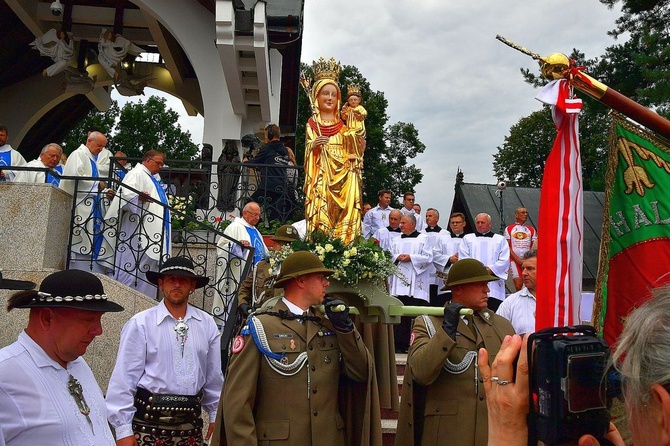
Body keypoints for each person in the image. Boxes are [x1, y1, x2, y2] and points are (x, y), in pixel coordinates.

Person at [215, 250, 381, 446]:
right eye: (320, 278)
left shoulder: (328, 325)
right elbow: (237, 402)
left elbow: (361, 372)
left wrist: (346, 330)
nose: (327, 284)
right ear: (301, 281)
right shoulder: (260, 327)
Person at [395, 259, 515, 446]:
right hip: (447, 434)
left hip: (492, 433)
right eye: (480, 284)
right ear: (458, 289)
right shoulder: (429, 323)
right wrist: (447, 330)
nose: (488, 290)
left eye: (487, 285)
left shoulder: (501, 325)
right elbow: (420, 372)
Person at [106, 256, 223, 446]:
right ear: (161, 284)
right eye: (171, 279)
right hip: (147, 427)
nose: (177, 284)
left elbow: (214, 378)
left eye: (183, 280)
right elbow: (124, 379)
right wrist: (122, 430)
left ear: (192, 286)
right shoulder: (141, 323)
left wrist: (215, 415)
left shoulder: (207, 324)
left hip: (191, 429)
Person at [0, 269, 124, 445]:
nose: (99, 330)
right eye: (88, 320)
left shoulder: (78, 364)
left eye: (99, 319)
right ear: (47, 318)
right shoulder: (5, 373)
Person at [304, 57, 365, 245]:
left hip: (345, 175)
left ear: (338, 99)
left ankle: (345, 242)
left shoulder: (345, 127)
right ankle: (322, 242)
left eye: (333, 94)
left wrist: (354, 139)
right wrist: (314, 146)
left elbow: (358, 149)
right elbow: (307, 155)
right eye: (325, 94)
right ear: (316, 96)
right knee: (321, 208)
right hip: (322, 175)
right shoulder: (313, 124)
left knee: (350, 201)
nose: (329, 98)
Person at [104, 150, 171, 297]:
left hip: (150, 230)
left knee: (145, 269)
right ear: (147, 160)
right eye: (158, 163)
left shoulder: (151, 177)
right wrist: (138, 198)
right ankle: (125, 297)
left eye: (162, 164)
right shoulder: (137, 173)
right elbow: (125, 194)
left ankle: (143, 299)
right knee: (132, 264)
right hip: (137, 230)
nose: (160, 166)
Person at [60, 131, 112, 274]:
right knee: (80, 240)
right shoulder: (78, 154)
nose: (101, 149)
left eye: (103, 147)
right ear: (89, 141)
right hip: (80, 206)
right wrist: (97, 184)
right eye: (99, 146)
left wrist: (104, 190)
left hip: (91, 206)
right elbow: (74, 177)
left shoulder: (91, 158)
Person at [389, 213, 434, 352]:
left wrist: (411, 257)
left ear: (412, 224)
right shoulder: (396, 240)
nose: (400, 225)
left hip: (416, 284)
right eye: (400, 223)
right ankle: (398, 344)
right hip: (399, 283)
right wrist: (397, 256)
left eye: (403, 223)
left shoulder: (423, 238)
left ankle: (414, 343)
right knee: (399, 313)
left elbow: (428, 257)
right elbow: (389, 254)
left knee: (414, 313)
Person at [213, 202, 267, 314]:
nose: (257, 218)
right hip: (240, 275)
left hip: (257, 276)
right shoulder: (234, 227)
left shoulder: (256, 231)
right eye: (254, 215)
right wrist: (237, 246)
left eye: (258, 215)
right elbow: (222, 248)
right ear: (245, 213)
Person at [237, 224, 300, 315]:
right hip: (261, 316)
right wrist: (243, 303)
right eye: (280, 244)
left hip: (287, 318)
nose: (284, 248)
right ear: (274, 244)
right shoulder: (262, 265)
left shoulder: (299, 269)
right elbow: (245, 287)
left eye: (288, 245)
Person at [458, 213, 510, 311]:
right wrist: (478, 271)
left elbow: (504, 259)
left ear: (489, 224)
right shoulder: (467, 238)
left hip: (494, 283)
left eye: (483, 222)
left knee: (494, 311)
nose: (480, 225)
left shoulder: (500, 239)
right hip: (474, 280)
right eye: (478, 222)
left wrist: (490, 270)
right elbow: (464, 258)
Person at [245, 124, 292, 222]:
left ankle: (255, 227)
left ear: (270, 135)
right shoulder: (284, 151)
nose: (266, 138)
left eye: (266, 136)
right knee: (273, 215)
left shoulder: (267, 148)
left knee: (249, 206)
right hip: (281, 187)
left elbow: (254, 162)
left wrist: (246, 161)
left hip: (268, 186)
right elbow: (273, 163)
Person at [496, 250, 537, 335]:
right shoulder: (510, 303)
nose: (524, 273)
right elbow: (498, 335)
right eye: (523, 269)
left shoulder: (561, 300)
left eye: (530, 269)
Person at [424, 208, 454, 307]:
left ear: (437, 218)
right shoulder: (421, 234)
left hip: (440, 271)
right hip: (425, 271)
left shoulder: (445, 234)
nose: (427, 218)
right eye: (426, 216)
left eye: (430, 216)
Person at [505, 207, 538, 291]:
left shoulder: (531, 229)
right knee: (518, 284)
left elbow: (534, 246)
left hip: (527, 260)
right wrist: (518, 260)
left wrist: (526, 260)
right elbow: (506, 246)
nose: (525, 214)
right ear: (516, 215)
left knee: (530, 283)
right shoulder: (509, 228)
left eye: (526, 213)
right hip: (514, 260)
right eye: (522, 213)